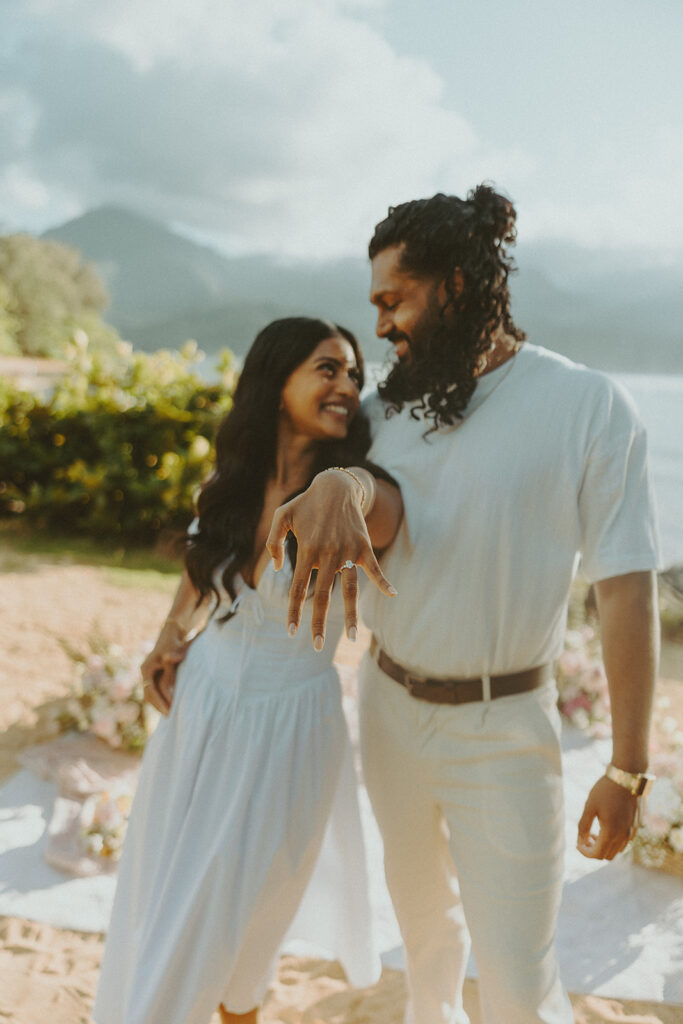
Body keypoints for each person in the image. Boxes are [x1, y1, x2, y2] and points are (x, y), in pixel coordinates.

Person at [266, 186, 661, 1024]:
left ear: (452, 284)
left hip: (507, 730)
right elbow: (353, 496)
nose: (379, 326)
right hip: (386, 707)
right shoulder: (381, 410)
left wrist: (626, 765)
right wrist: (338, 477)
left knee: (519, 978)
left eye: (391, 300)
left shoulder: (587, 406)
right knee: (424, 942)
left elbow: (624, 588)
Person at [92, 317, 403, 1024]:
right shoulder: (231, 481)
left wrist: (348, 487)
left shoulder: (356, 493)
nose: (346, 386)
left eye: (354, 374)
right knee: (172, 895)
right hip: (202, 702)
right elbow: (201, 563)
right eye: (327, 368)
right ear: (277, 379)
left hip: (292, 719)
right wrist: (170, 637)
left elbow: (378, 513)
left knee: (251, 919)